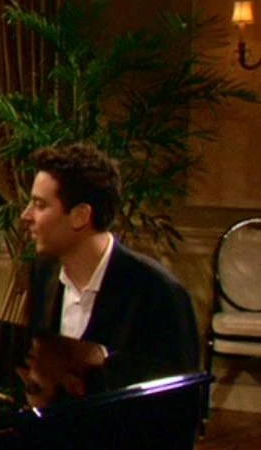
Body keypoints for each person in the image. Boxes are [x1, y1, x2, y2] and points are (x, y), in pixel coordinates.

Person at [18, 143, 200, 407]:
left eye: (39, 205)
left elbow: (181, 403)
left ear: (80, 216)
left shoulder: (158, 293)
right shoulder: (44, 274)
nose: (26, 215)